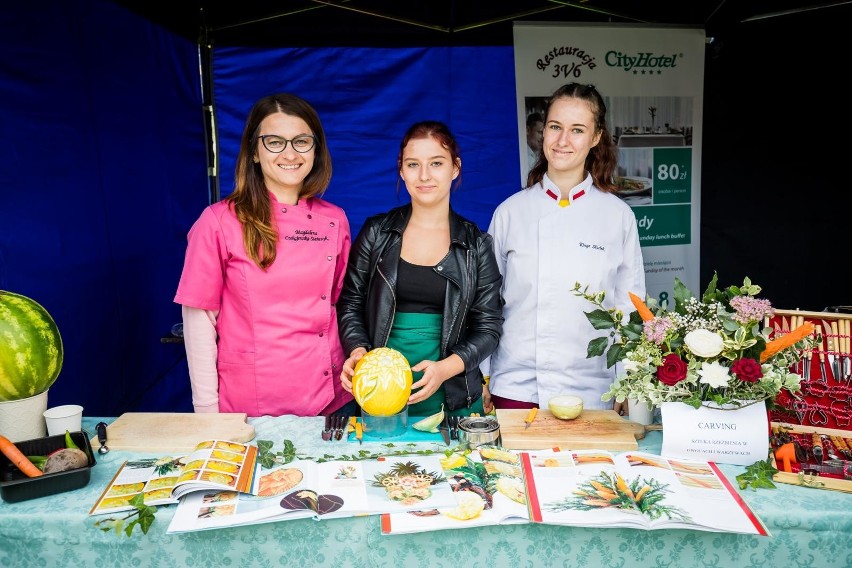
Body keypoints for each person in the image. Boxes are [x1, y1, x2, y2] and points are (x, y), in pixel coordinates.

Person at [174, 93, 355, 417]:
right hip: (252, 407)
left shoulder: (334, 218)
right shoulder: (218, 221)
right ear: (254, 151)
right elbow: (198, 320)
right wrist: (206, 413)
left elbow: (342, 305)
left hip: (332, 401)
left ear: (316, 149)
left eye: (301, 141)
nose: (290, 153)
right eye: (274, 142)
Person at [484, 83, 645, 414]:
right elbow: (486, 304)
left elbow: (629, 310)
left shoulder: (618, 217)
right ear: (543, 132)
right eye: (555, 127)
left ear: (596, 137)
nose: (562, 141)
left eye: (577, 130)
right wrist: (483, 377)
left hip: (593, 392)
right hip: (516, 388)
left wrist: (627, 381)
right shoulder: (510, 213)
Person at [337, 120, 503, 418]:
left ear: (455, 168)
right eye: (413, 164)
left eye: (436, 163)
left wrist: (443, 369)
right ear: (401, 169)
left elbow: (489, 327)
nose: (424, 175)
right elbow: (350, 303)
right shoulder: (377, 233)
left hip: (455, 396)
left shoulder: (476, 245)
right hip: (379, 395)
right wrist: (359, 352)